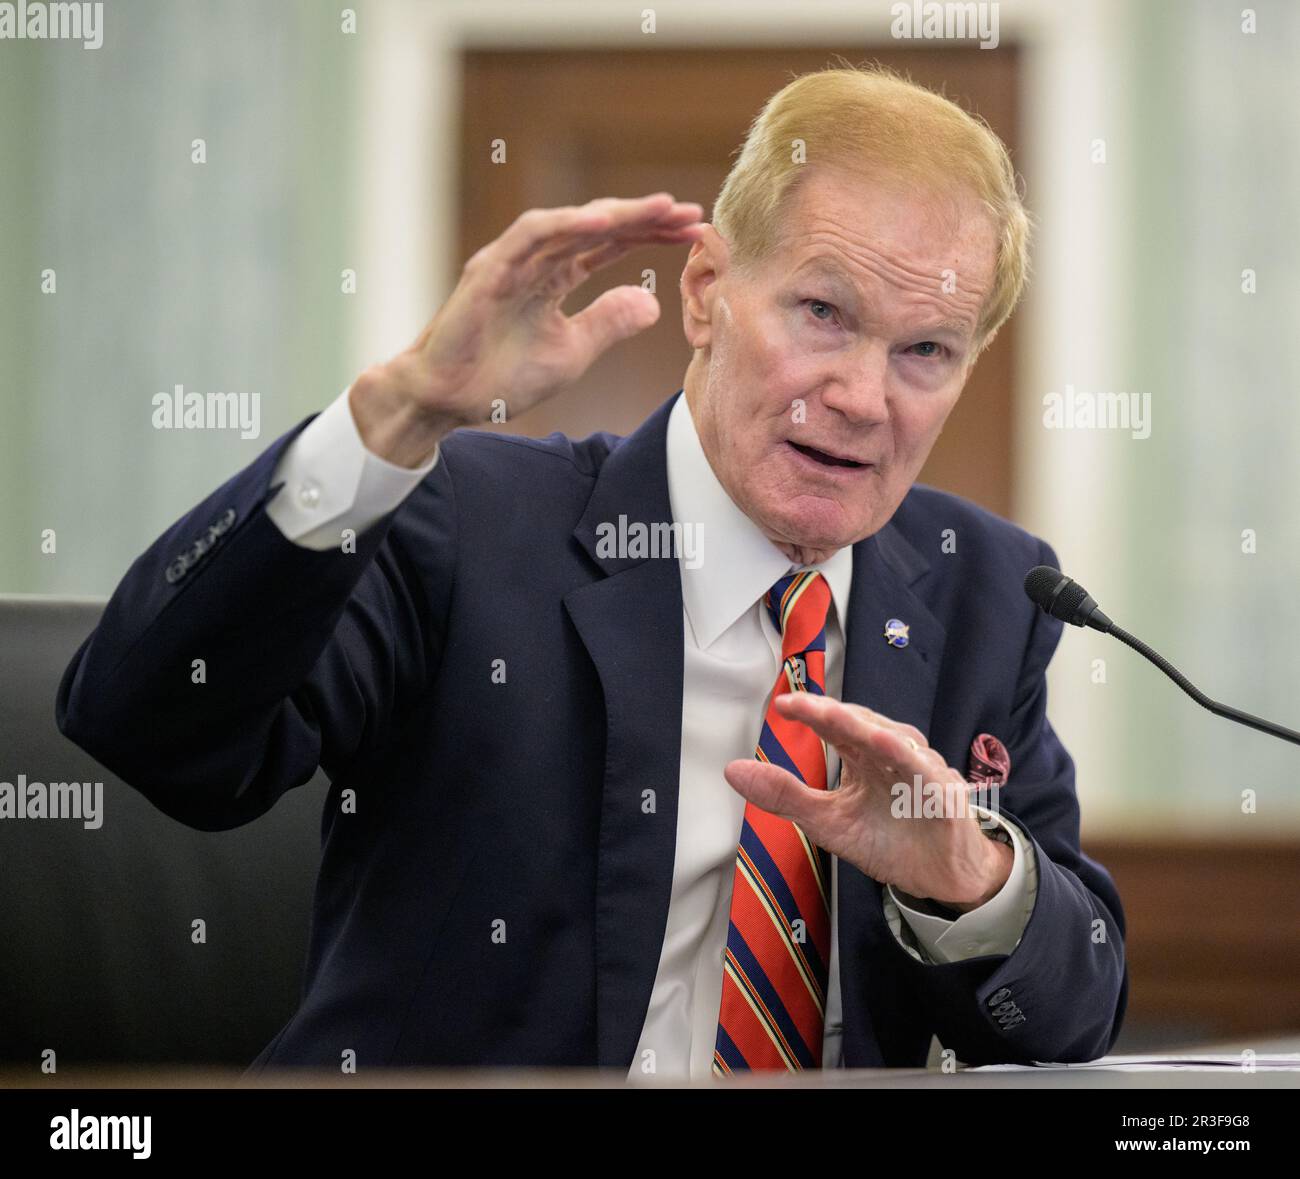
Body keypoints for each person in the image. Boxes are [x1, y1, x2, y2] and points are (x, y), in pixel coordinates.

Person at [57, 63, 1127, 1078]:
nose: (858, 395)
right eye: (822, 313)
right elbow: (149, 727)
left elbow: (1073, 1013)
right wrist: (396, 418)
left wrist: (970, 883)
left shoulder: (987, 589)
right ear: (705, 291)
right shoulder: (466, 519)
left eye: (923, 352)